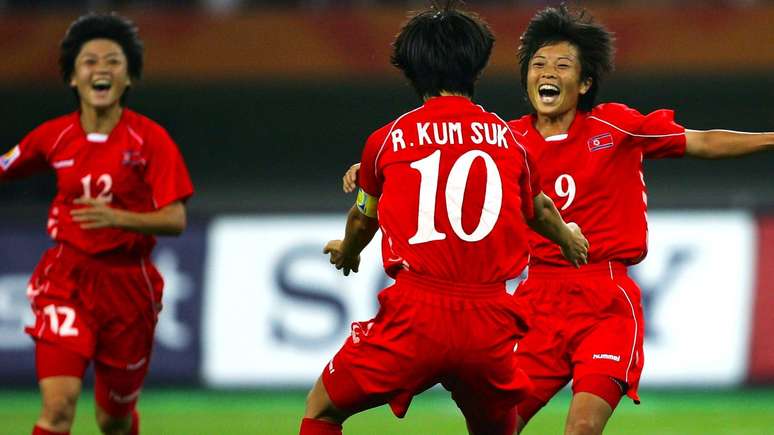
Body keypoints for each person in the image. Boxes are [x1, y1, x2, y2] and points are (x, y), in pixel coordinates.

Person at [343, 5, 774, 434]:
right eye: (538, 64)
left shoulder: (615, 127)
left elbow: (701, 141)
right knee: (500, 426)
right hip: (535, 304)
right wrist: (369, 175)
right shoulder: (503, 140)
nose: (548, 72)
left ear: (584, 82)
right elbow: (435, 175)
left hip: (604, 300)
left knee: (583, 427)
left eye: (562, 65)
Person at [301, 2, 589, 435]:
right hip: (489, 318)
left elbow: (364, 218)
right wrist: (567, 238)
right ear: (476, 67)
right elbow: (540, 208)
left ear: (410, 69)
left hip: (417, 313)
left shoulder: (388, 139)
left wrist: (347, 250)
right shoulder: (509, 141)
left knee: (322, 408)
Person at [0, 13, 193, 435]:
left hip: (129, 290)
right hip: (65, 279)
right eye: (89, 61)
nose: (101, 68)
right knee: (58, 408)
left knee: (114, 420)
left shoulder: (151, 141)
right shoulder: (52, 137)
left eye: (113, 61)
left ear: (129, 78)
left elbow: (176, 219)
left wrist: (117, 218)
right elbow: (5, 166)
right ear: (72, 77)